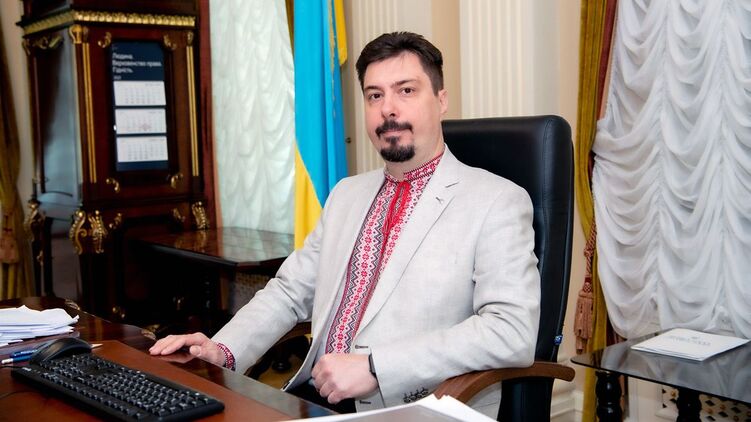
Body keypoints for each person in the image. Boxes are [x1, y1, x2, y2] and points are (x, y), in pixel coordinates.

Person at [150, 31, 540, 414]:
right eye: (374, 95)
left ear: (441, 100)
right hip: (314, 399)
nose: (388, 109)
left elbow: (511, 330)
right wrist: (223, 349)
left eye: (406, 90)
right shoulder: (346, 195)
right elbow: (290, 291)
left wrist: (377, 367)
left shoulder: (496, 201)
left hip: (413, 407)